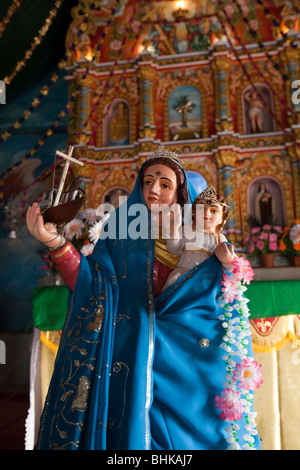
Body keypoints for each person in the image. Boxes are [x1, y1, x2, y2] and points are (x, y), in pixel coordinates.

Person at [26, 146, 261, 450]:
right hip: (132, 346)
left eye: (165, 184)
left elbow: (224, 287)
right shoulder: (121, 231)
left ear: (180, 193)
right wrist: (56, 243)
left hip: (188, 348)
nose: (154, 189)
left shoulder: (200, 233)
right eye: (148, 181)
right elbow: (93, 283)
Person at [162, 186, 235, 291]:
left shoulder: (219, 238)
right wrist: (173, 231)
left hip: (206, 279)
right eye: (201, 208)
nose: (206, 214)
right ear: (194, 212)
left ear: (222, 219)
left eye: (213, 211)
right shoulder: (186, 230)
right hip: (183, 275)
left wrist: (228, 261)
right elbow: (174, 250)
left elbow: (234, 266)